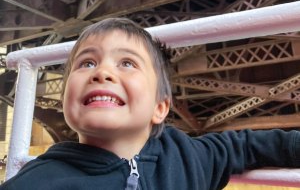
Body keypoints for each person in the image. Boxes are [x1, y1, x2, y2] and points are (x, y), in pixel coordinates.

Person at [1, 18, 300, 190]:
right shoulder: (39, 182)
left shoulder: (188, 156)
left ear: (160, 108)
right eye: (86, 62)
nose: (102, 72)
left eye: (127, 63)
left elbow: (245, 146)